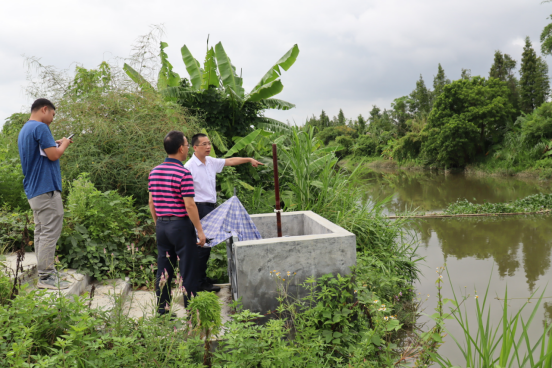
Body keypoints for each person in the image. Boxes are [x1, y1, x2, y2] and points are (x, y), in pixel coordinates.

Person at [184, 133, 263, 292]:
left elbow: (230, 161)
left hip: (209, 207)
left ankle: (201, 278)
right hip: (198, 208)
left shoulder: (210, 162)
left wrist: (248, 159)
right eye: (204, 144)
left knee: (206, 245)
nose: (208, 147)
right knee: (202, 245)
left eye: (209, 143)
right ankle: (199, 284)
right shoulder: (189, 167)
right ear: (195, 147)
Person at [148, 131, 207, 315]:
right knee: (187, 270)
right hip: (181, 226)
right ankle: (192, 312)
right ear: (181, 148)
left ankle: (163, 311)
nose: (188, 148)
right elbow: (190, 205)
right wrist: (200, 230)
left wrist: (159, 222)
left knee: (163, 270)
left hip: (162, 226)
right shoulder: (183, 172)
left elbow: (151, 202)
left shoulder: (154, 171)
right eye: (188, 145)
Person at [18, 98, 73, 289]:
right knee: (50, 232)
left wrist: (55, 143)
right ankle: (47, 277)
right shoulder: (41, 127)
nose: (52, 119)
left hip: (34, 190)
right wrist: (65, 143)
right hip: (46, 189)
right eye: (52, 114)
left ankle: (44, 273)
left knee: (41, 231)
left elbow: (43, 152)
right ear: (44, 109)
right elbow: (54, 155)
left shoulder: (25, 129)